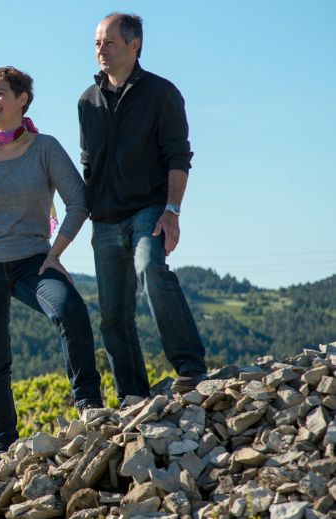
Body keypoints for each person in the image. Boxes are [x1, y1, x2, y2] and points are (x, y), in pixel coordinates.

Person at [0, 66, 104, 459]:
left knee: (71, 311)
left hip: (33, 260)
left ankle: (89, 406)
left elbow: (79, 201)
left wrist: (56, 252)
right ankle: (4, 450)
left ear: (22, 99)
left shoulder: (45, 147)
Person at [78, 13, 208, 405]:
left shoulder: (161, 93)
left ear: (134, 45)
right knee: (113, 315)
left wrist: (172, 210)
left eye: (109, 41)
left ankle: (190, 367)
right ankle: (133, 395)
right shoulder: (87, 100)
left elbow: (178, 155)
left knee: (151, 268)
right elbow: (88, 162)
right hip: (105, 219)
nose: (101, 49)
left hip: (149, 209)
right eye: (97, 42)